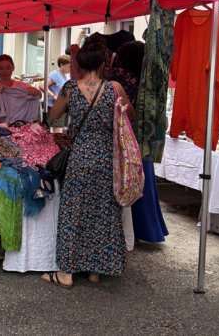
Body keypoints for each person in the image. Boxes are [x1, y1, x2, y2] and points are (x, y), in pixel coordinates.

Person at [42, 37, 134, 288]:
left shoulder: (71, 88)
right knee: (103, 212)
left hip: (80, 157)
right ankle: (95, 269)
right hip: (106, 157)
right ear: (104, 64)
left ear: (80, 65)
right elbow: (130, 116)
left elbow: (53, 116)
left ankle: (66, 273)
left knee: (74, 212)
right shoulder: (115, 88)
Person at [110, 41, 168, 244]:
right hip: (142, 136)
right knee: (143, 182)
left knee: (124, 181)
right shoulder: (147, 80)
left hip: (120, 135)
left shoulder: (115, 78)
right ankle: (148, 230)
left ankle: (128, 231)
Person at [0, 54, 42, 122]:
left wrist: (36, 91)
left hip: (19, 124)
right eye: (1, 68)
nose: (5, 71)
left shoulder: (22, 85)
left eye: (8, 68)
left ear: (13, 68)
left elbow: (39, 96)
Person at [41, 55, 71, 132]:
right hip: (55, 107)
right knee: (58, 132)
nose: (70, 68)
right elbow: (42, 86)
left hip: (63, 107)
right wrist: (54, 96)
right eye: (69, 66)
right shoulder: (54, 74)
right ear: (61, 64)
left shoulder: (65, 75)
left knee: (62, 132)